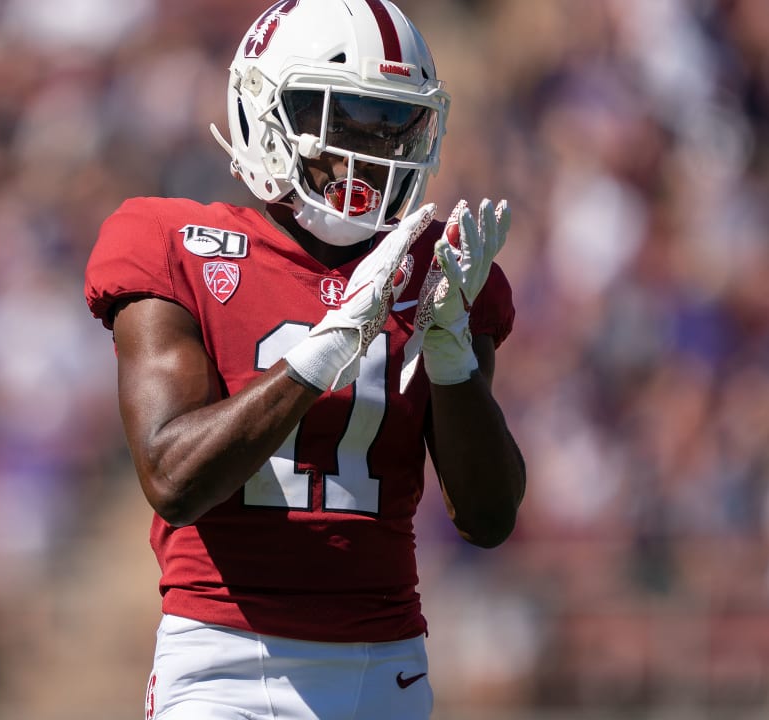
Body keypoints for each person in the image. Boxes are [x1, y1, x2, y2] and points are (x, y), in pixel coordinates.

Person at [83, 0, 526, 717]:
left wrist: (452, 360)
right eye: (344, 117)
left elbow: (489, 517)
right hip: (222, 654)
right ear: (264, 109)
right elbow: (173, 478)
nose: (373, 150)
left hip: (384, 665)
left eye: (395, 123)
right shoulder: (173, 245)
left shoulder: (441, 269)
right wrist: (326, 349)